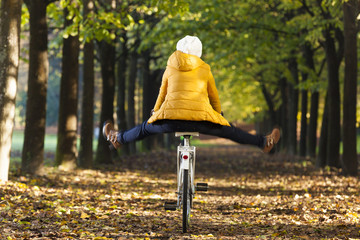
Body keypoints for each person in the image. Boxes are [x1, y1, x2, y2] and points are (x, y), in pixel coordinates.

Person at [103, 35, 280, 152]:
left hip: (170, 121)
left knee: (143, 129)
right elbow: (214, 97)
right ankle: (264, 143)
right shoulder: (205, 69)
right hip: (200, 121)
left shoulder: (170, 68)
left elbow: (161, 94)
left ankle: (118, 139)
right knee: (230, 131)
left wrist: (155, 112)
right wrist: (218, 114)